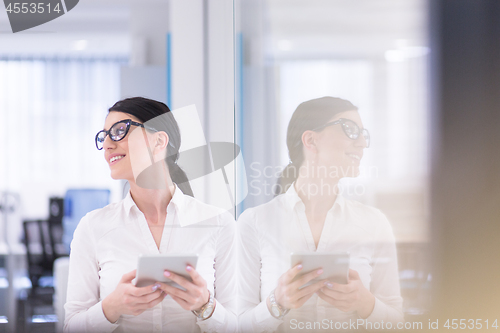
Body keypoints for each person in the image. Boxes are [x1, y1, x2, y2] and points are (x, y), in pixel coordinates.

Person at [64, 97, 237, 332]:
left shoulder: (218, 224)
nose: (107, 144)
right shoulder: (93, 227)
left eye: (119, 131)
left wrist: (205, 306)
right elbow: (71, 326)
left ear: (159, 141)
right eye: (104, 136)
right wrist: (110, 308)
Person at [237, 97, 403, 332]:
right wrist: (277, 303)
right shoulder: (254, 223)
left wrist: (367, 304)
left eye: (364, 133)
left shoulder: (375, 223)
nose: (363, 143)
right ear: (311, 140)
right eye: (351, 130)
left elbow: (399, 322)